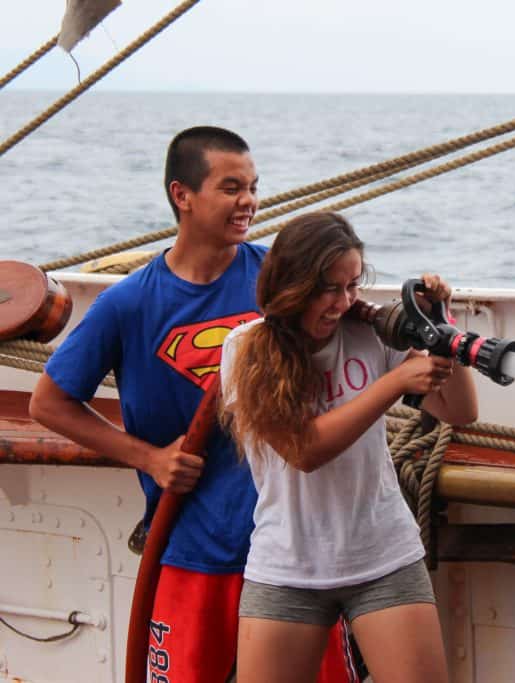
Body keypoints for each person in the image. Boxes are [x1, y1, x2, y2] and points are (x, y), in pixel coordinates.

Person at [30, 127, 357, 683]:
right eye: (231, 187)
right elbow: (49, 403)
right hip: (191, 546)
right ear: (183, 195)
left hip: (292, 545)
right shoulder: (129, 303)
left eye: (253, 186)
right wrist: (149, 457)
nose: (249, 201)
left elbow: (349, 317)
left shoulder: (277, 279)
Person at [219, 211, 477, 683]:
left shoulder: (370, 334)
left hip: (383, 556)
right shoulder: (246, 348)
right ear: (292, 285)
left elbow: (459, 412)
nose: (344, 302)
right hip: (288, 564)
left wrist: (442, 332)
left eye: (352, 286)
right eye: (329, 289)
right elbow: (304, 452)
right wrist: (394, 382)